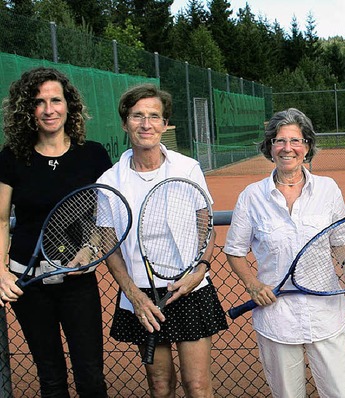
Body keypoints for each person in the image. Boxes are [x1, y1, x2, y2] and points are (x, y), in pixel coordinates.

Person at [98, 84, 228, 398]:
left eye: (154, 116)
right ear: (125, 122)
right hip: (141, 295)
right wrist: (132, 293)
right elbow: (108, 244)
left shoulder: (188, 168)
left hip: (190, 288)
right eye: (137, 116)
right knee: (160, 387)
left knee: (197, 386)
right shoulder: (108, 181)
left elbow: (206, 226)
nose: (146, 124)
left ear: (165, 124)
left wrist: (200, 270)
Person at [223, 108, 345, 398]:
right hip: (276, 318)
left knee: (340, 394)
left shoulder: (328, 189)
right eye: (279, 141)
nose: (288, 148)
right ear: (270, 147)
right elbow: (234, 251)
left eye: (295, 141)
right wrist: (253, 284)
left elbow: (341, 239)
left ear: (307, 146)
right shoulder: (251, 196)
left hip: (326, 315)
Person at [0, 67, 111, 397]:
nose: (49, 109)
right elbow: (1, 221)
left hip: (77, 280)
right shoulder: (10, 158)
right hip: (29, 281)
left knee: (91, 378)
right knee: (50, 378)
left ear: (69, 105)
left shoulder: (92, 154)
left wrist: (90, 249)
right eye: (39, 102)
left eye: (55, 100)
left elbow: (102, 216)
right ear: (27, 109)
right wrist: (1, 273)